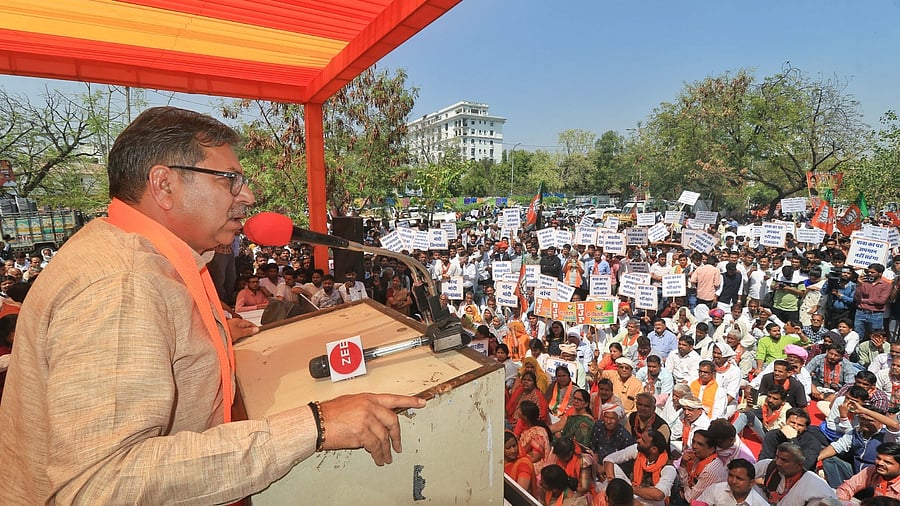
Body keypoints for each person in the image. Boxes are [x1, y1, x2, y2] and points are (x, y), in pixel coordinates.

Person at [0, 107, 425, 504]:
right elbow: (101, 483)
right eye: (229, 180)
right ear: (164, 185)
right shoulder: (121, 283)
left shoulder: (147, 258)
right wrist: (315, 424)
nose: (249, 196)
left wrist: (210, 337)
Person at [601, 429, 675, 506]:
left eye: (643, 440)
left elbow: (659, 495)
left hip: (649, 500)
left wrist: (626, 490)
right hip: (632, 492)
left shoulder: (669, 468)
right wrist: (612, 482)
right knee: (614, 468)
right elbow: (609, 459)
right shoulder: (638, 450)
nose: (638, 440)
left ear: (654, 449)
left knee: (658, 499)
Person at [756, 442, 836, 505]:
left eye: (784, 460)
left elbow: (831, 501)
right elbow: (746, 472)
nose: (778, 462)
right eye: (777, 457)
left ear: (799, 465)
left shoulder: (814, 484)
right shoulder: (769, 465)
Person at [760, 408, 828, 471]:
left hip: (800, 477)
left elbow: (805, 465)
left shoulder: (813, 442)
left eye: (800, 425)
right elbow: (764, 458)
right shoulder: (773, 435)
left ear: (805, 428)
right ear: (786, 421)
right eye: (792, 423)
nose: (795, 427)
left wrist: (792, 439)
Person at [676, 429, 728, 503]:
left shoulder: (710, 471)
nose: (694, 446)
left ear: (711, 449)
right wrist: (683, 464)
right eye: (693, 442)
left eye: (700, 444)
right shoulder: (698, 457)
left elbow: (690, 499)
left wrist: (684, 488)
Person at [694, 458, 768, 506]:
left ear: (751, 483)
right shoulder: (715, 490)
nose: (733, 481)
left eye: (739, 478)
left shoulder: (760, 504)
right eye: (731, 475)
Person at [855, 263, 893, 341]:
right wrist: (859, 284)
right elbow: (857, 298)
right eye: (868, 272)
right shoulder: (864, 282)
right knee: (857, 336)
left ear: (880, 273)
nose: (869, 274)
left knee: (875, 337)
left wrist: (864, 300)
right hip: (861, 313)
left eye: (872, 272)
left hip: (876, 314)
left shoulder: (886, 285)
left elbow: (881, 301)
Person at [517, 400, 553, 476]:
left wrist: (519, 459)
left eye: (519, 410)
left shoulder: (537, 432)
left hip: (535, 468)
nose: (517, 411)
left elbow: (535, 457)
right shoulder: (529, 429)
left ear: (525, 417)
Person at [504, 431, 537, 497]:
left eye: (514, 446)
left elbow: (520, 493)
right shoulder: (497, 464)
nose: (513, 450)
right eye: (508, 448)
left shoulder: (523, 463)